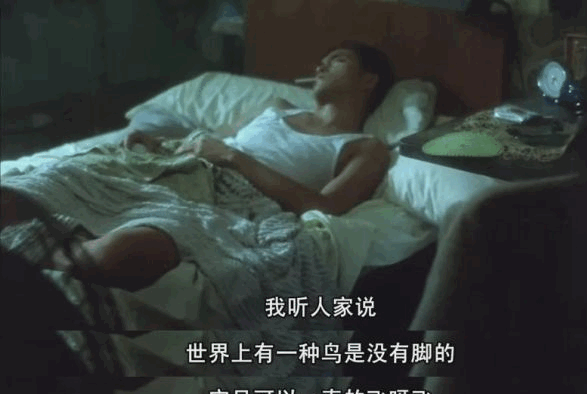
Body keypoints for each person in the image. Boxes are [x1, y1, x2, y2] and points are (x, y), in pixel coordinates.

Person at [1, 41, 394, 291]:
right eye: (322, 60)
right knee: (24, 191)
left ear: (369, 81)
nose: (321, 67)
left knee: (118, 254)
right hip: (179, 165)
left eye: (338, 60)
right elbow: (213, 139)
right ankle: (40, 249)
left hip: (231, 198)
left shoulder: (364, 147)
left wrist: (237, 160)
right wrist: (158, 144)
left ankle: (36, 259)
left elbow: (324, 207)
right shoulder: (276, 107)